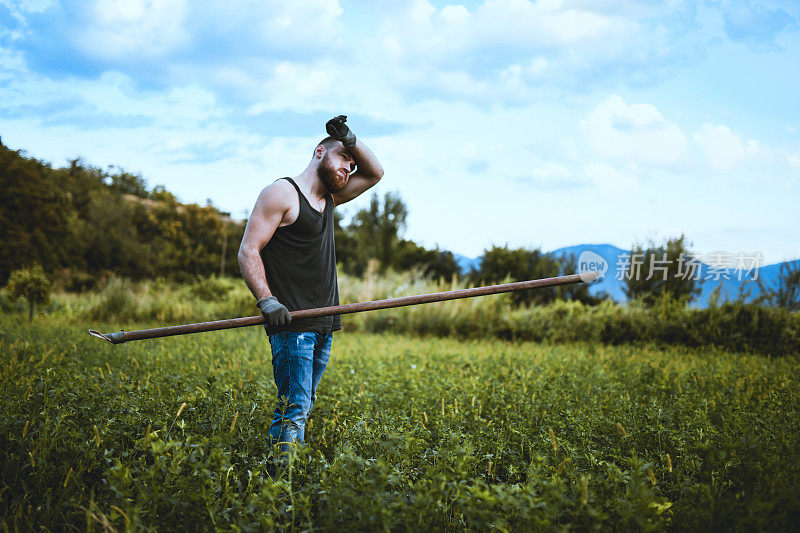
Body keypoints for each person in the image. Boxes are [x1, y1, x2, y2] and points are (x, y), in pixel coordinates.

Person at [238, 116, 383, 462]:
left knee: (303, 404)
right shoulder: (282, 193)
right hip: (292, 326)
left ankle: (289, 477)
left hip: (324, 324)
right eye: (342, 159)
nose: (348, 169)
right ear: (319, 152)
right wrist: (267, 301)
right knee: (294, 409)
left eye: (351, 165)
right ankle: (277, 490)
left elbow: (375, 172)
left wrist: (350, 139)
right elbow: (248, 250)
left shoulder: (330, 199)